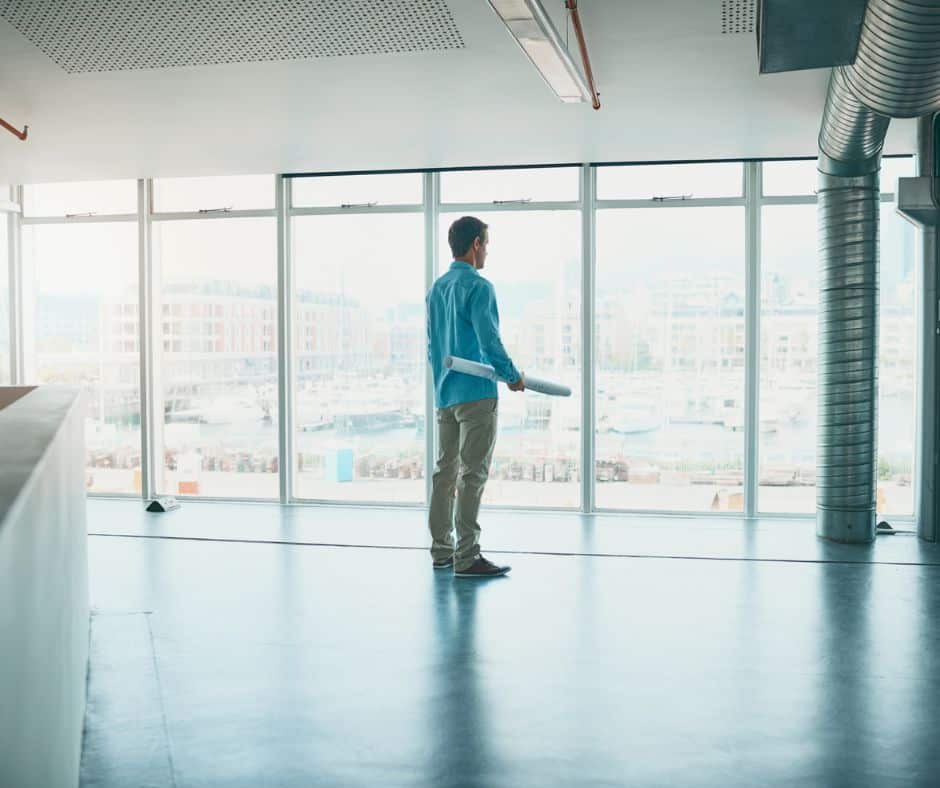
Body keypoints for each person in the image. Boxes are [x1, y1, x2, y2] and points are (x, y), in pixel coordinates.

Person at [426, 216, 525, 578]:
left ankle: (442, 551)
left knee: (445, 473)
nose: (487, 252)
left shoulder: (436, 289)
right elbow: (489, 341)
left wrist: (441, 382)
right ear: (476, 244)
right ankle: (467, 557)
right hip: (477, 395)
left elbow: (432, 346)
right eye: (487, 244)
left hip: (445, 394)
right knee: (472, 475)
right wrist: (513, 376)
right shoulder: (480, 288)